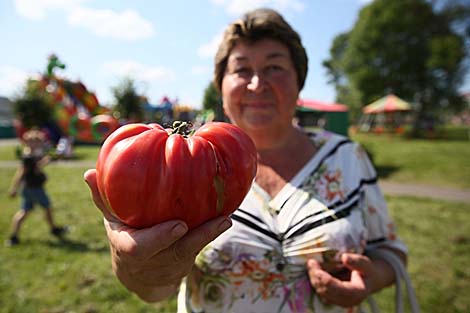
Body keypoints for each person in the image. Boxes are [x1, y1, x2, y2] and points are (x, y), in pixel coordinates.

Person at [84, 8, 408, 312]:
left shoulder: (347, 157)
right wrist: (137, 269)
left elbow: (390, 251)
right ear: (221, 86)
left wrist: (370, 278)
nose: (257, 84)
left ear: (299, 81)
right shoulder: (177, 166)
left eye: (274, 68)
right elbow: (155, 292)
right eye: (241, 69)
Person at [6, 129, 67, 246]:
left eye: (39, 142)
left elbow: (35, 169)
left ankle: (14, 236)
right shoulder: (28, 157)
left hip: (30, 188)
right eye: (36, 142)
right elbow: (22, 173)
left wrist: (44, 161)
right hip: (34, 189)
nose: (39, 144)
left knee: (25, 211)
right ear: (28, 143)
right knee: (47, 207)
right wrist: (14, 188)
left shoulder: (31, 155)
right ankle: (53, 229)